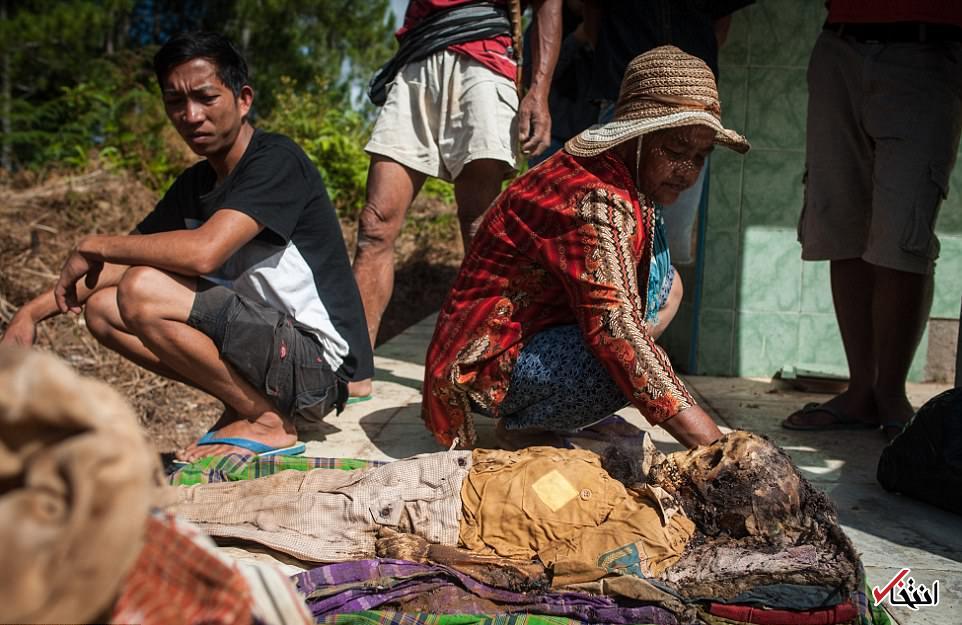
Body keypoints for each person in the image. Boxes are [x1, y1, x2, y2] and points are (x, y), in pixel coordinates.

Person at [0, 32, 373, 462]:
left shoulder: (276, 161)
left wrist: (94, 244)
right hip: (271, 356)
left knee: (142, 289)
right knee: (104, 310)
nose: (191, 115)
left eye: (205, 97)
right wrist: (31, 314)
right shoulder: (193, 186)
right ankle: (247, 406)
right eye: (175, 101)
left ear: (243, 99)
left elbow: (203, 253)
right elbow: (121, 263)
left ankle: (266, 420)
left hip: (317, 370)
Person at [422, 46, 749, 450]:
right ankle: (527, 424)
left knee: (667, 285)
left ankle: (551, 409)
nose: (688, 171)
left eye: (700, 157)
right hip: (481, 361)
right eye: (676, 152)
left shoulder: (627, 178)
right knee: (618, 365)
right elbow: (615, 331)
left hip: (537, 329)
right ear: (636, 137)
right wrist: (716, 447)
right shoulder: (593, 196)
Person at [782, 1, 962, 440]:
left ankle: (891, 391)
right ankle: (861, 390)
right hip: (839, 42)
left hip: (928, 48)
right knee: (841, 224)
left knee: (903, 232)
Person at [351, 0, 562, 366]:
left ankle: (486, 366)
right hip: (417, 58)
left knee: (481, 229)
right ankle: (352, 367)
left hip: (484, 60)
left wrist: (538, 92)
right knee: (375, 224)